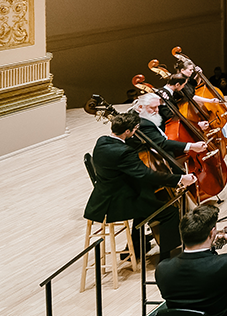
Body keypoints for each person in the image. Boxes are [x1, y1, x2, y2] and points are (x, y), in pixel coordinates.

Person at [84, 110, 196, 258]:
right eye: (135, 130)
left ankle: (136, 248)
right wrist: (179, 179)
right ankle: (166, 259)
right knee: (169, 212)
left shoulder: (102, 141)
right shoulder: (124, 152)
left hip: (103, 196)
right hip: (118, 202)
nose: (136, 132)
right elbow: (146, 174)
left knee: (146, 207)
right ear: (127, 131)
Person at [130, 91, 207, 160]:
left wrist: (197, 125)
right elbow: (162, 143)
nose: (156, 110)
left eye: (158, 107)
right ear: (140, 107)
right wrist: (191, 146)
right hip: (159, 159)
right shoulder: (142, 124)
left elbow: (172, 120)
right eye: (153, 107)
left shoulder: (146, 115)